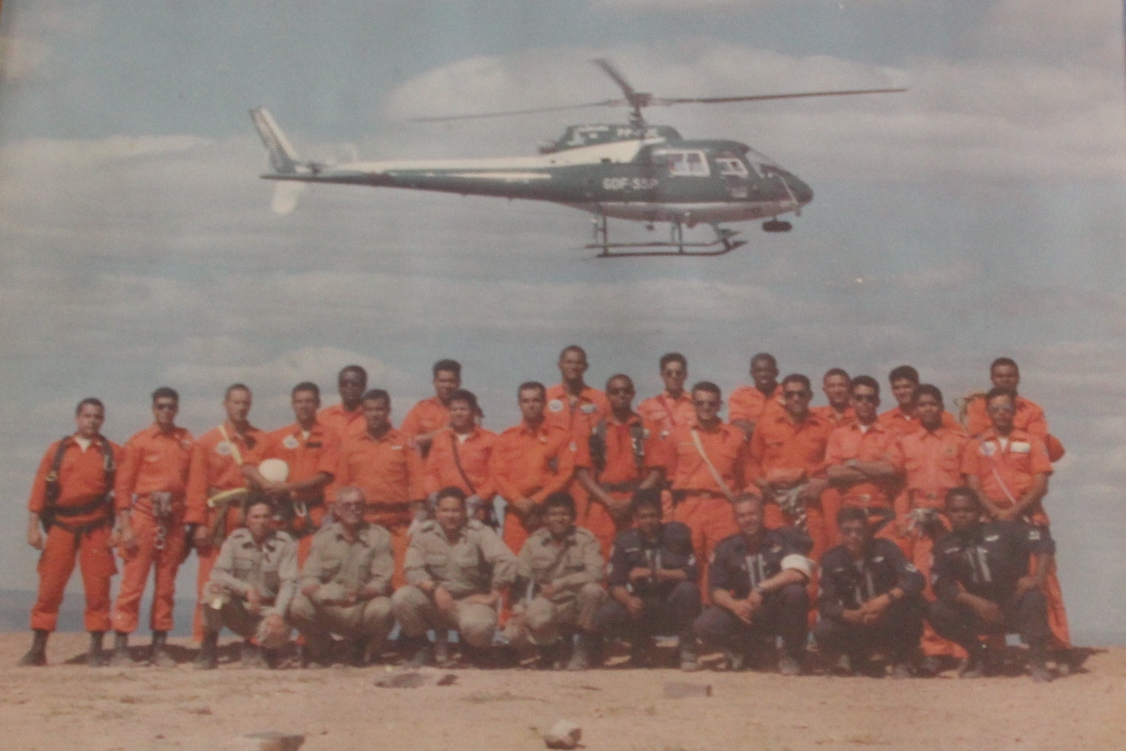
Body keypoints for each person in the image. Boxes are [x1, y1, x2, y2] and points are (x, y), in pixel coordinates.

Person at [961, 387, 1070, 663]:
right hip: (990, 518)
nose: (1001, 413)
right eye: (995, 408)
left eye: (1007, 408)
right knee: (988, 581)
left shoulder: (1031, 442)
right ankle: (992, 650)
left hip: (1026, 514)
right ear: (988, 412)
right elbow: (973, 484)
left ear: (1014, 412)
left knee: (1041, 581)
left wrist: (1013, 511)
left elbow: (1041, 484)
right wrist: (995, 512)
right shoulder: (976, 444)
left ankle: (1053, 646)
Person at [20, 398, 121, 667]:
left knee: (98, 588)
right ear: (77, 418)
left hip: (96, 526)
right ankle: (38, 648)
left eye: (97, 417)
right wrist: (33, 528)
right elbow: (39, 489)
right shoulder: (58, 450)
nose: (92, 421)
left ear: (103, 420)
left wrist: (121, 528)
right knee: (49, 586)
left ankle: (96, 649)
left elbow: (122, 492)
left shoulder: (111, 452)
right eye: (87, 416)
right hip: (61, 525)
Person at [927, 487, 1056, 682]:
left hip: (1013, 605)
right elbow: (941, 585)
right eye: (955, 511)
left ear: (979, 512)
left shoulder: (1003, 530)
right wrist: (976, 603)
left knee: (1034, 598)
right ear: (947, 513)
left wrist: (1037, 578)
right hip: (980, 611)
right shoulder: (944, 545)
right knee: (936, 610)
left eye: (968, 510)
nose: (962, 515)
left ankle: (1038, 661)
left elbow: (1043, 542)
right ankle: (980, 656)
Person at [109, 387, 195, 667]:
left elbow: (194, 483)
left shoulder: (187, 440)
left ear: (177, 409)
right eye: (161, 406)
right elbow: (123, 488)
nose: (166, 411)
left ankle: (159, 646)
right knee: (133, 584)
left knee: (166, 586)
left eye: (171, 406)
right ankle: (121, 645)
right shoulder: (139, 442)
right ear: (153, 409)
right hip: (144, 517)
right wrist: (126, 527)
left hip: (174, 519)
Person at [889, 384, 969, 667]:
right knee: (926, 582)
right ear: (916, 409)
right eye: (922, 405)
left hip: (952, 518)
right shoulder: (906, 442)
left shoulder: (959, 440)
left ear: (941, 406)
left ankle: (963, 649)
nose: (928, 409)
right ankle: (934, 649)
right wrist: (902, 518)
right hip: (920, 519)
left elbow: (969, 482)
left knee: (958, 581)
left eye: (933, 404)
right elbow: (901, 486)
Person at [392, 487, 517, 666]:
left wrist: (494, 593)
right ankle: (422, 646)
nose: (450, 516)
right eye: (445, 511)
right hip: (436, 602)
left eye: (456, 511)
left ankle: (471, 649)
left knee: (479, 628)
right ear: (436, 512)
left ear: (465, 512)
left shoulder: (479, 532)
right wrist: (435, 589)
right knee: (402, 598)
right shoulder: (424, 533)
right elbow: (412, 569)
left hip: (469, 603)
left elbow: (506, 560)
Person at [693, 494, 813, 675]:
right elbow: (716, 589)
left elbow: (799, 572)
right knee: (704, 625)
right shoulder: (726, 547)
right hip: (745, 610)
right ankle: (743, 650)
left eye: (752, 514)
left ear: (763, 514)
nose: (747, 519)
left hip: (775, 608)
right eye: (741, 515)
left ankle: (792, 655)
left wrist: (762, 587)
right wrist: (734, 605)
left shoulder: (782, 539)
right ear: (735, 519)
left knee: (795, 592)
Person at [318, 389, 425, 587]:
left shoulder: (405, 442)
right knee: (359, 580)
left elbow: (417, 480)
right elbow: (340, 483)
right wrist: (331, 513)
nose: (375, 414)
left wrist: (418, 517)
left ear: (388, 411)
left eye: (379, 409)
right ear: (363, 412)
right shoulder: (351, 443)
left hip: (396, 523)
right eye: (369, 410)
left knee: (400, 581)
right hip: (362, 524)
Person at [186, 383, 263, 641]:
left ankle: (253, 638)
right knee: (211, 578)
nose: (241, 407)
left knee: (253, 574)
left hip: (249, 514)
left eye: (245, 402)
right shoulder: (208, 441)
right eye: (236, 402)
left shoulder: (261, 439)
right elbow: (197, 485)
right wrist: (198, 523)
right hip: (218, 517)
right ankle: (207, 637)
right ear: (225, 404)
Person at [287, 486, 395, 667]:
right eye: (347, 505)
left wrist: (359, 595)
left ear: (365, 508)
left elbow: (382, 581)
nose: (353, 509)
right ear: (337, 510)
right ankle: (323, 651)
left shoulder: (379, 536)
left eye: (358, 505)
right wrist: (318, 594)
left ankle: (370, 651)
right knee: (299, 606)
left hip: (362, 606)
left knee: (384, 608)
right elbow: (309, 577)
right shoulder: (324, 537)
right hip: (331, 605)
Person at [595, 489, 702, 671]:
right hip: (641, 605)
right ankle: (641, 644)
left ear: (660, 515)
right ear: (635, 517)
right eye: (643, 517)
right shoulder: (624, 541)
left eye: (653, 516)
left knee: (688, 590)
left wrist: (652, 572)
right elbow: (615, 583)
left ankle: (687, 649)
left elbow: (690, 573)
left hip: (669, 602)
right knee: (608, 613)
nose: (649, 521)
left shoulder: (677, 535)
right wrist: (628, 600)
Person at [815, 507, 926, 678]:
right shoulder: (831, 559)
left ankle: (902, 660)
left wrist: (884, 600)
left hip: (885, 618)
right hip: (856, 620)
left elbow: (916, 579)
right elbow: (825, 603)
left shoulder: (885, 549)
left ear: (867, 531)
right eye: (847, 531)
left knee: (915, 603)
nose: (853, 536)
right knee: (824, 629)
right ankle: (850, 658)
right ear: (839, 532)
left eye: (859, 531)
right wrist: (850, 615)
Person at [503, 492, 606, 670]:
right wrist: (519, 611)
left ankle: (584, 648)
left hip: (578, 602)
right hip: (550, 603)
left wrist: (561, 583)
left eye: (564, 514)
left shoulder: (585, 539)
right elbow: (520, 582)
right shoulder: (534, 543)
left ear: (572, 517)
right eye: (554, 514)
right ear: (545, 518)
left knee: (593, 591)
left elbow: (597, 573)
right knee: (514, 632)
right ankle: (552, 649)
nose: (559, 519)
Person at [574, 374, 669, 557]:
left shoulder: (648, 427)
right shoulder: (594, 429)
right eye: (615, 392)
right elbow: (582, 473)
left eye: (626, 391)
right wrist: (609, 502)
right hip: (603, 504)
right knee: (600, 555)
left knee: (638, 555)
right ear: (607, 396)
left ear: (633, 394)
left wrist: (633, 501)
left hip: (637, 503)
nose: (621, 395)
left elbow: (657, 472)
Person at [197, 498, 297, 670]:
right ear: (247, 520)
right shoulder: (235, 540)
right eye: (256, 517)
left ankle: (265, 649)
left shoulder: (284, 543)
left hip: (268, 611)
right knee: (213, 592)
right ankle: (210, 643)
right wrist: (246, 590)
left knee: (276, 638)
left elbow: (289, 583)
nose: (261, 521)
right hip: (239, 610)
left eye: (265, 516)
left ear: (271, 519)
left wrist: (278, 614)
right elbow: (217, 573)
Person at [665, 382, 747, 589]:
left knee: (722, 563)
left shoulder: (735, 436)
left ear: (720, 405)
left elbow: (744, 476)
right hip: (688, 507)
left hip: (723, 508)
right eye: (700, 403)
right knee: (687, 564)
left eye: (711, 403)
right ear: (692, 404)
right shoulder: (678, 435)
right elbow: (669, 477)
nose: (706, 407)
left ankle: (714, 607)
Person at [242, 382, 332, 557]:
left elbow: (325, 475)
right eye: (299, 401)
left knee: (309, 561)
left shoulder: (329, 437)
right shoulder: (277, 436)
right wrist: (266, 484)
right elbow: (247, 466)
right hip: (281, 512)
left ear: (318, 403)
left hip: (312, 510)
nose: (304, 406)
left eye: (309, 401)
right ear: (292, 404)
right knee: (276, 561)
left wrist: (289, 487)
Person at [746, 373, 832, 554]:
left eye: (801, 394)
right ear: (783, 397)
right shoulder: (766, 425)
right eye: (790, 394)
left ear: (810, 396)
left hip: (810, 505)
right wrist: (761, 483)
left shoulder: (825, 428)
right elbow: (751, 461)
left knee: (814, 558)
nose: (796, 398)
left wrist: (824, 482)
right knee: (775, 559)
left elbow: (834, 465)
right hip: (775, 505)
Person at [490, 382, 576, 554]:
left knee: (550, 561)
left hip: (548, 514)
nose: (531, 405)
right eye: (526, 401)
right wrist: (518, 501)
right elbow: (498, 475)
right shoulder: (506, 438)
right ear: (519, 404)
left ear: (544, 403)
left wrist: (536, 501)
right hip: (517, 513)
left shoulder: (560, 435)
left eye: (536, 400)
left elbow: (566, 474)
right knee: (514, 563)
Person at [823, 376, 904, 551]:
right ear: (851, 401)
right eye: (859, 398)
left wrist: (853, 463)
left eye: (869, 398)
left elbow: (891, 469)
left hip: (881, 509)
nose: (864, 402)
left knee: (885, 558)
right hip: (849, 509)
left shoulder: (891, 434)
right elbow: (833, 472)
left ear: (877, 401)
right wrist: (874, 469)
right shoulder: (839, 434)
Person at [963, 357, 1063, 460]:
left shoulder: (1033, 410)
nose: (1005, 380)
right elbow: (977, 437)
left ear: (1018, 378)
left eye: (1010, 376)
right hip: (988, 461)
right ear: (992, 379)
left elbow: (1037, 442)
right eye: (1000, 376)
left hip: (1022, 463)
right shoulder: (979, 406)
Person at [423, 389, 498, 526]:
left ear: (473, 411)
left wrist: (479, 498)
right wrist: (433, 493)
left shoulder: (490, 440)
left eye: (463, 409)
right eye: (454, 409)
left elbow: (496, 476)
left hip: (478, 512)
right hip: (446, 512)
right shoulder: (440, 439)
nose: (458, 413)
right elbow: (431, 472)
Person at [544, 345, 610, 443]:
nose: (574, 367)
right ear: (559, 365)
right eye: (569, 362)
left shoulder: (602, 399)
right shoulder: (546, 397)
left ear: (586, 367)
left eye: (578, 363)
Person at [400, 359, 462, 459]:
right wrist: (441, 433)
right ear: (434, 382)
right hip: (427, 466)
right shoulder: (421, 409)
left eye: (451, 381)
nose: (447, 386)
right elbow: (405, 441)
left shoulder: (467, 411)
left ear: (458, 383)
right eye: (442, 381)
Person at [878, 365, 960, 437]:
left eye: (907, 387)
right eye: (897, 388)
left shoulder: (943, 417)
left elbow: (960, 443)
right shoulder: (883, 420)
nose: (902, 392)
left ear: (917, 386)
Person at [637, 353, 695, 439]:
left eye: (678, 373)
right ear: (662, 375)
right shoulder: (647, 406)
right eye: (669, 373)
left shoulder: (697, 404)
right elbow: (638, 437)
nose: (674, 376)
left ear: (685, 375)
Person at [727, 353, 783, 439]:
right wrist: (767, 434)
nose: (763, 374)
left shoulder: (789, 394)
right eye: (758, 371)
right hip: (752, 444)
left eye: (768, 370)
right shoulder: (741, 395)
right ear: (752, 373)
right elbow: (737, 422)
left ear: (776, 372)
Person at [318, 365, 368, 443]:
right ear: (339, 387)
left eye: (354, 383)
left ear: (364, 387)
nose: (349, 387)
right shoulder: (324, 417)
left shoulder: (374, 418)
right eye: (344, 383)